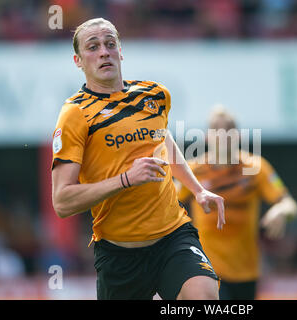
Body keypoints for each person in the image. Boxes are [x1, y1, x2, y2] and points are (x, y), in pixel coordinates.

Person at [51, 18, 225, 300]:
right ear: (78, 61)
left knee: (204, 295)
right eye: (93, 47)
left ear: (120, 51)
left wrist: (197, 188)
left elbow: (162, 140)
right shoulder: (75, 114)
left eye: (110, 44)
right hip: (119, 255)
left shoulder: (155, 95)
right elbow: (62, 201)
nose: (104, 52)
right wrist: (126, 180)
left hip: (173, 238)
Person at [177, 106, 297, 300]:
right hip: (206, 269)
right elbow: (168, 205)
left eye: (229, 129)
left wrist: (281, 211)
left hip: (246, 271)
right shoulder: (193, 170)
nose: (223, 134)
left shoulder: (255, 168)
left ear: (238, 136)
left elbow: (290, 204)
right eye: (217, 129)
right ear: (207, 137)